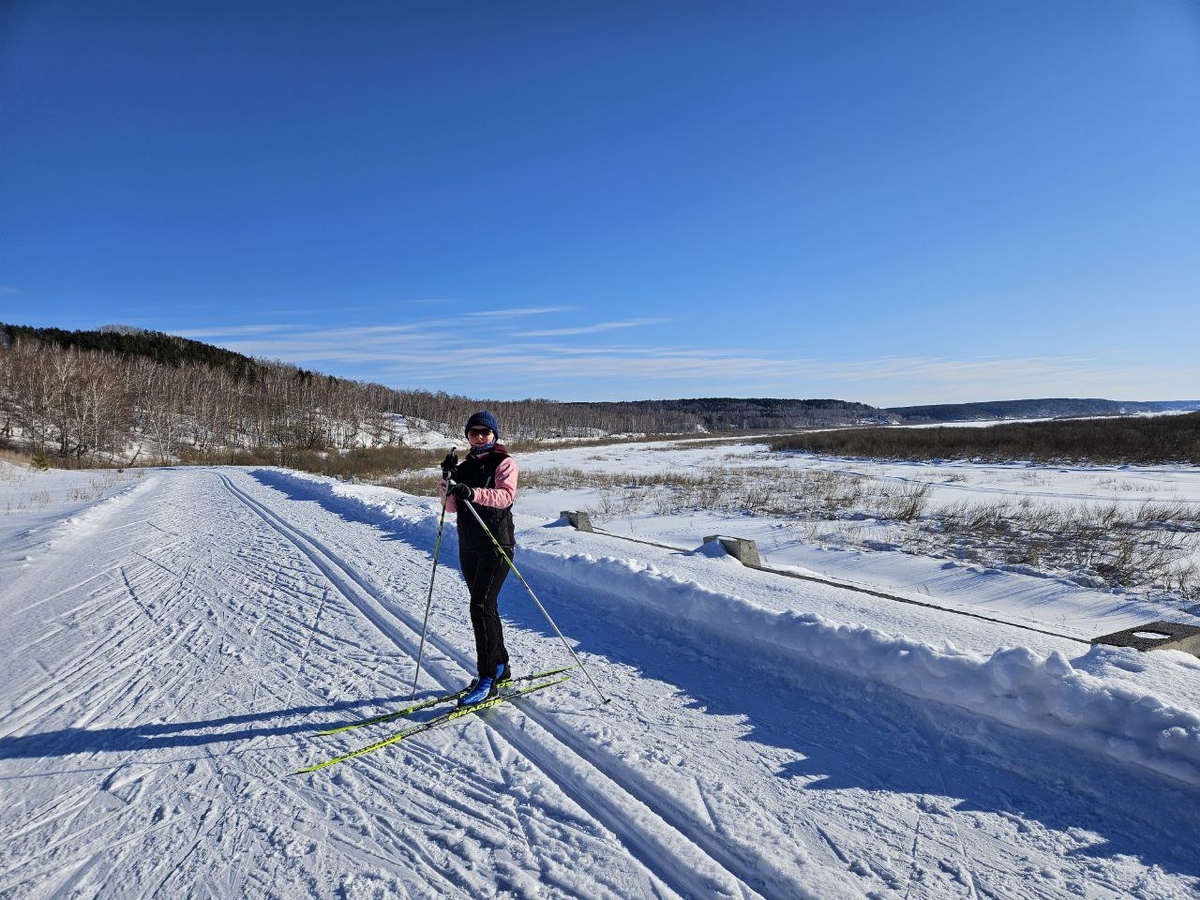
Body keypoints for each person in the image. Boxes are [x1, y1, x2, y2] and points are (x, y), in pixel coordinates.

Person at [441, 411, 519, 707]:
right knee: (487, 608)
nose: (479, 437)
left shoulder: (505, 463)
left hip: (496, 546)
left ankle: (487, 679)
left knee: (479, 607)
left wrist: (471, 492)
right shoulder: (464, 466)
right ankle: (501, 667)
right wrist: (447, 480)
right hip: (469, 547)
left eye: (485, 432)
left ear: (494, 435)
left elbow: (504, 497)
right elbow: (449, 507)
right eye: (473, 433)